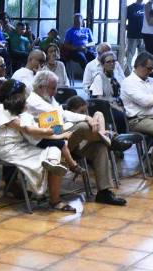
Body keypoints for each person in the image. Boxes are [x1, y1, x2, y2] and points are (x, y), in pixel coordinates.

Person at [27, 70, 127, 205]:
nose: (56, 91)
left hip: (68, 140)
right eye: (53, 88)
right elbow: (58, 125)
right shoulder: (34, 102)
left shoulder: (48, 97)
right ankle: (109, 138)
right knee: (83, 128)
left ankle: (104, 192)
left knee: (99, 147)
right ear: (41, 87)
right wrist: (78, 123)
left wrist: (87, 117)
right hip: (51, 142)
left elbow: (64, 114)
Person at [0, 80, 74, 211]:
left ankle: (51, 164)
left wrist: (58, 130)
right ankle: (54, 198)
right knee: (56, 149)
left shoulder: (16, 108)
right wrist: (58, 130)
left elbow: (36, 126)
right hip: (10, 149)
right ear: (15, 95)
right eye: (23, 94)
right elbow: (28, 129)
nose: (25, 97)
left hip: (23, 145)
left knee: (55, 148)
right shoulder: (1, 109)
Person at [62, 13, 95, 77]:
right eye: (75, 20)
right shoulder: (70, 31)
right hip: (75, 51)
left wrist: (85, 46)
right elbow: (65, 45)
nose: (76, 22)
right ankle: (88, 76)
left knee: (93, 56)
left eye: (78, 20)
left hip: (86, 49)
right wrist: (77, 48)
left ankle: (96, 74)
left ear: (82, 21)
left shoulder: (87, 30)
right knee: (81, 57)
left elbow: (93, 43)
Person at [123, 0, 145, 72]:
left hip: (143, 36)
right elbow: (123, 21)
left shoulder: (146, 7)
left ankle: (140, 72)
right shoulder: (130, 8)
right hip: (132, 35)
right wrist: (127, 28)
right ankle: (127, 73)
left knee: (142, 55)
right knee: (129, 55)